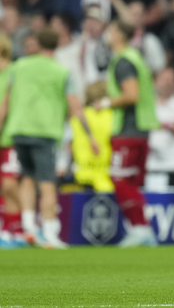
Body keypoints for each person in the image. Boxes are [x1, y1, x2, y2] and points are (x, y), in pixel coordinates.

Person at [0, 28, 98, 248]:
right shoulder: (61, 72)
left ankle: (28, 228)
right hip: (44, 132)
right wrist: (90, 136)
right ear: (57, 46)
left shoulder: (19, 67)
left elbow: (4, 104)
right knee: (47, 184)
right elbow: (75, 107)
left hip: (18, 131)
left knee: (26, 178)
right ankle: (51, 232)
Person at [93, 20, 160, 247]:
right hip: (140, 128)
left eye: (111, 30)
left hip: (128, 129)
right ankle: (142, 230)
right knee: (130, 181)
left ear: (119, 35)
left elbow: (131, 95)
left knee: (121, 180)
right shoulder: (135, 57)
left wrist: (105, 102)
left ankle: (139, 229)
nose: (108, 35)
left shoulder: (123, 61)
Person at [0, 35, 24, 248]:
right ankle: (7, 230)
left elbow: (5, 106)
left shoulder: (15, 71)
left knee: (9, 184)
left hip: (11, 138)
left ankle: (17, 229)